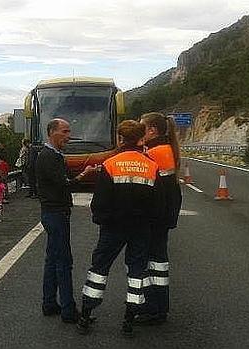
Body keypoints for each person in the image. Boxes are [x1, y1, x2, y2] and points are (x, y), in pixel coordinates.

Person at [76, 120, 159, 337]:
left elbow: (100, 202)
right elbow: (158, 204)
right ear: (140, 138)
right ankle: (129, 320)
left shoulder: (111, 164)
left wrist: (103, 220)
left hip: (113, 227)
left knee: (99, 269)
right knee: (136, 272)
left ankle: (85, 316)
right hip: (140, 228)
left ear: (120, 139)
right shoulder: (151, 166)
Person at [36, 118, 96, 323]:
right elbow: (65, 184)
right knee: (64, 261)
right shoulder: (48, 157)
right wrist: (83, 176)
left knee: (53, 260)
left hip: (54, 212)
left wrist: (82, 175)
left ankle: (49, 303)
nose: (68, 136)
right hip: (55, 213)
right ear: (52, 132)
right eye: (65, 131)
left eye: (69, 132)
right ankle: (69, 311)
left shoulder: (55, 156)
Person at [135, 112, 182, 325]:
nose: (138, 130)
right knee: (159, 263)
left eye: (141, 127)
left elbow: (150, 190)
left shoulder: (155, 152)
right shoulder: (165, 149)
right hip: (162, 218)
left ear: (152, 130)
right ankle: (159, 308)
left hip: (154, 219)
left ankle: (151, 308)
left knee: (149, 262)